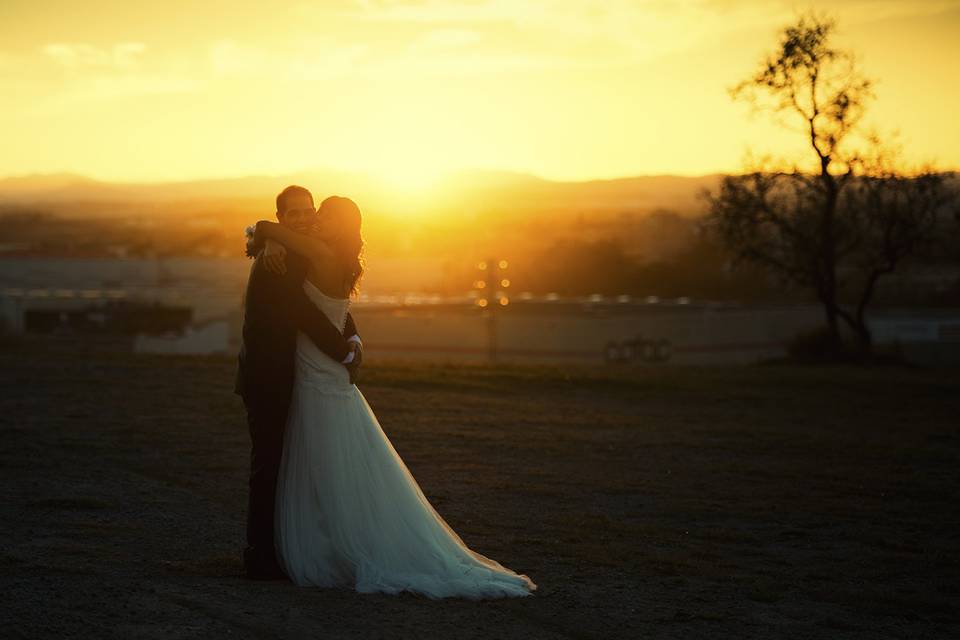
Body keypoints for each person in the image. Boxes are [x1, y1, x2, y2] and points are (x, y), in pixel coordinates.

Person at [251, 195, 536, 599]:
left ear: (344, 227)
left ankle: (338, 543)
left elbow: (268, 228)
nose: (316, 220)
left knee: (324, 456)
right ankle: (334, 534)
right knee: (330, 458)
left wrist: (267, 233)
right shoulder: (338, 257)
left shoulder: (319, 253)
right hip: (319, 368)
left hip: (318, 369)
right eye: (320, 214)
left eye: (326, 216)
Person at [235, 185, 363, 580]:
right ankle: (259, 557)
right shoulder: (282, 258)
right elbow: (303, 311)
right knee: (270, 465)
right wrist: (345, 348)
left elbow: (327, 297)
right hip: (268, 375)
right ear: (281, 218)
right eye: (295, 215)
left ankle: (283, 547)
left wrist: (266, 234)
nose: (306, 219)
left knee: (290, 463)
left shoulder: (293, 251)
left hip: (292, 372)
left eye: (310, 211)